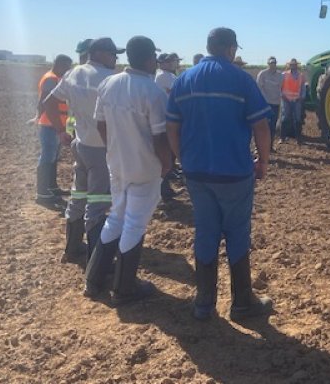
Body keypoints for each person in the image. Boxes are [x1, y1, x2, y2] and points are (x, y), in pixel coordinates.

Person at [166, 27, 273, 321]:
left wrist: (181, 158)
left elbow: (172, 127)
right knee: (237, 233)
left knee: (205, 231)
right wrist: (263, 161)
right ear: (230, 49)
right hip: (235, 172)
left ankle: (204, 303)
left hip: (196, 172)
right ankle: (241, 304)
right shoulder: (241, 80)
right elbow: (261, 127)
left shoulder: (184, 80)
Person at [85, 36, 172, 304]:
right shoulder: (153, 92)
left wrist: (113, 147)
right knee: (134, 223)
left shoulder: (109, 83)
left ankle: (94, 279)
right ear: (149, 60)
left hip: (117, 164)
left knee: (116, 217)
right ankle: (124, 287)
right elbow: (160, 138)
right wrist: (166, 165)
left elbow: (100, 124)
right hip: (144, 167)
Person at [44, 37, 123, 265]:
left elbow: (49, 102)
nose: (115, 59)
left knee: (78, 195)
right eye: (112, 55)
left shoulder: (73, 73)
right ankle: (97, 262)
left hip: (81, 144)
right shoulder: (110, 78)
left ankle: (72, 248)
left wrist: (60, 131)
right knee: (97, 203)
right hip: (101, 148)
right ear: (99, 53)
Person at [35, 54, 74, 208]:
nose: (68, 70)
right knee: (47, 156)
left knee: (53, 157)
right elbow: (45, 100)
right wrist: (38, 116)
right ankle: (43, 193)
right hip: (50, 124)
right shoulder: (51, 79)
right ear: (59, 64)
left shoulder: (55, 78)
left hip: (55, 124)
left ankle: (51, 188)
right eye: (67, 66)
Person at [155, 52, 182, 201]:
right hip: (167, 118)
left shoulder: (167, 75)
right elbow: (176, 93)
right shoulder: (165, 76)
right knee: (166, 153)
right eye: (172, 61)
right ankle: (163, 189)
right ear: (163, 63)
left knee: (169, 153)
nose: (175, 63)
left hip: (167, 118)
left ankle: (165, 186)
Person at [256, 56, 284, 150]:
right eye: (271, 63)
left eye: (274, 63)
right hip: (265, 104)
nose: (272, 65)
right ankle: (260, 147)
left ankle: (270, 146)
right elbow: (259, 88)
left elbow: (282, 87)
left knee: (273, 126)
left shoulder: (280, 75)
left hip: (276, 103)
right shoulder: (262, 74)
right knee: (264, 126)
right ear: (268, 64)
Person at [280, 58, 306, 143]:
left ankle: (298, 139)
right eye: (291, 65)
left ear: (296, 66)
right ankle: (282, 138)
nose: (293, 66)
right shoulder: (284, 75)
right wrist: (282, 95)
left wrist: (301, 97)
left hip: (297, 100)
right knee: (285, 119)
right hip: (286, 99)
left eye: (294, 65)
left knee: (298, 119)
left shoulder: (301, 76)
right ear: (289, 65)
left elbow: (303, 88)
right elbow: (279, 86)